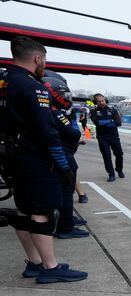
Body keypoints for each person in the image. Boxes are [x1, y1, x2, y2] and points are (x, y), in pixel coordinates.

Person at [0, 36, 87, 283]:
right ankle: (50, 267)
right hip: (34, 158)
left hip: (10, 156)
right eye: (44, 61)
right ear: (37, 58)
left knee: (23, 209)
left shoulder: (4, 81)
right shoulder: (33, 86)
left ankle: (35, 262)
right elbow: (47, 131)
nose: (44, 65)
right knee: (42, 212)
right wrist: (63, 164)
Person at [43, 71, 89, 239]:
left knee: (63, 190)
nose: (65, 98)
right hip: (62, 154)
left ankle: (66, 219)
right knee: (66, 191)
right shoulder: (55, 112)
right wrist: (72, 119)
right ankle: (66, 227)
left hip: (60, 153)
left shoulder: (49, 110)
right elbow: (73, 133)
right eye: (63, 95)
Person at [90, 93, 123, 182]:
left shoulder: (113, 110)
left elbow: (118, 123)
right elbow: (97, 123)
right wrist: (111, 120)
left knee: (119, 154)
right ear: (96, 102)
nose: (101, 103)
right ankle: (111, 174)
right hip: (102, 137)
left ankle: (119, 169)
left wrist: (105, 123)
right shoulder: (93, 111)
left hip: (114, 136)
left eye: (103, 101)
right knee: (106, 155)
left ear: (105, 100)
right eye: (99, 101)